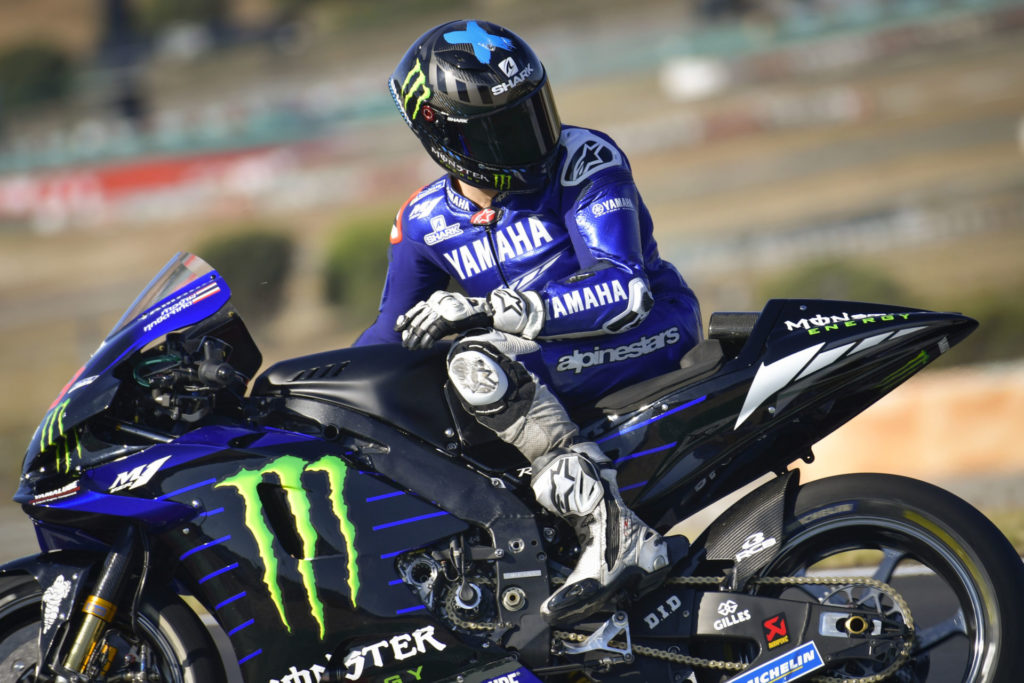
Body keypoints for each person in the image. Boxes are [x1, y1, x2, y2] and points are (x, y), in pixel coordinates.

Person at [355, 20, 702, 624]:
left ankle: (614, 532)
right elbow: (388, 338)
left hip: (649, 331)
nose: (534, 139)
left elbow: (624, 288)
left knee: (477, 361)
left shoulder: (584, 159)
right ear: (442, 137)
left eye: (532, 114)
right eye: (504, 130)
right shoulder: (421, 220)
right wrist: (298, 398)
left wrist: (487, 310)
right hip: (543, 363)